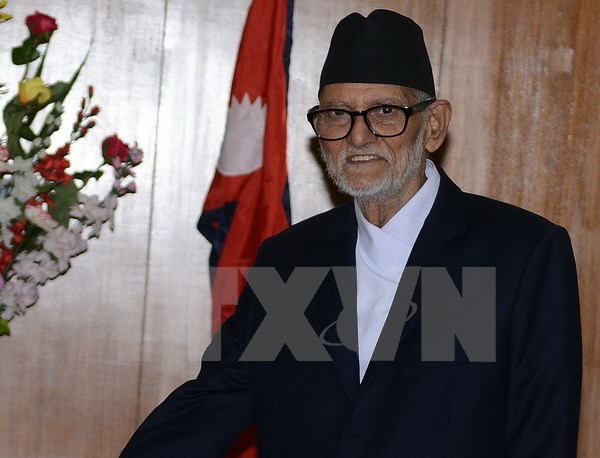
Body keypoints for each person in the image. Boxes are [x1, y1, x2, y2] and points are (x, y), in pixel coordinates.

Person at [121, 10, 581, 457]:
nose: (358, 137)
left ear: (434, 125)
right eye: (338, 114)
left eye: (385, 111)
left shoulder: (514, 255)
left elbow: (542, 437)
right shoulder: (291, 262)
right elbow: (210, 405)